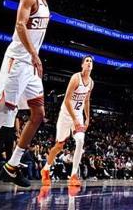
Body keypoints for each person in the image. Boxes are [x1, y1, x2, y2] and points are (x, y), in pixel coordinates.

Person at [0, 0, 54, 187]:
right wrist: (34, 55)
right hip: (18, 60)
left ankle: (11, 166)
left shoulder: (46, 4)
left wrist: (34, 57)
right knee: (4, 112)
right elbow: (20, 25)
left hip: (30, 65)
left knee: (38, 114)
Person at [41, 56, 94, 187]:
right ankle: (46, 168)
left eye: (91, 61)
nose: (89, 63)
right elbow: (66, 100)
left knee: (80, 141)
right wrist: (74, 119)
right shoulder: (76, 78)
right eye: (87, 61)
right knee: (59, 146)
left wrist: (87, 117)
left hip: (78, 115)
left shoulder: (91, 83)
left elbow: (86, 100)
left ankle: (74, 175)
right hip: (66, 115)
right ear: (82, 65)